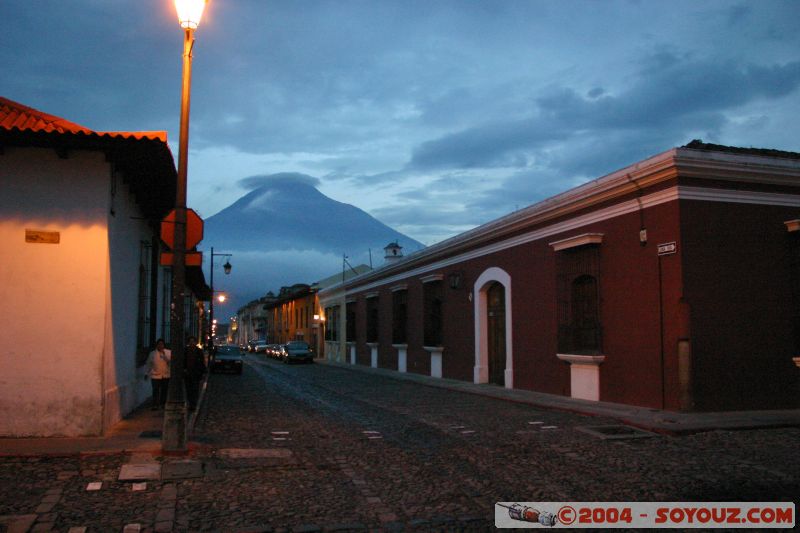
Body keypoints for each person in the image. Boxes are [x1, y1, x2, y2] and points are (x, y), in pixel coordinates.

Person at [146, 338, 171, 410]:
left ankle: (163, 404)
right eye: (159, 344)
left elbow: (170, 362)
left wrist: (164, 356)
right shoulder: (152, 354)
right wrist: (146, 373)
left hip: (166, 375)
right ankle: (155, 404)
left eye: (162, 344)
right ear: (156, 345)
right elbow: (149, 364)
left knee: (164, 390)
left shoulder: (168, 352)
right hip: (155, 375)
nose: (160, 346)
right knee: (155, 390)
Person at [184, 336, 207, 411]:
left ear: (195, 342)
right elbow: (183, 361)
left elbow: (202, 362)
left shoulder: (199, 351)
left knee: (195, 389)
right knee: (188, 390)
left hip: (196, 373)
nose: (191, 343)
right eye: (190, 341)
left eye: (193, 341)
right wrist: (184, 369)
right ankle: (190, 403)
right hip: (187, 373)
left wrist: (203, 372)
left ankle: (193, 404)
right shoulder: (185, 351)